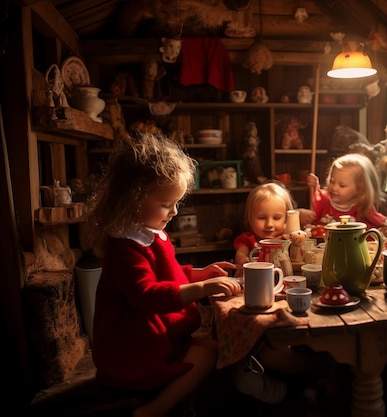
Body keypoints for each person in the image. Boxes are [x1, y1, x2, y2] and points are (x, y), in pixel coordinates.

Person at [86, 131, 241, 417]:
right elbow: (147, 294)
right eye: (165, 204)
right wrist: (203, 288)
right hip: (131, 351)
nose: (173, 213)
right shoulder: (125, 245)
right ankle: (154, 410)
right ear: (134, 199)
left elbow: (165, 274)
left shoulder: (149, 233)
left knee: (216, 349)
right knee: (209, 356)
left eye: (176, 204)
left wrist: (196, 274)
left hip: (150, 338)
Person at [231, 181, 333, 405]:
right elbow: (241, 256)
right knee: (266, 333)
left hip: (291, 294)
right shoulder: (248, 240)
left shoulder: (291, 240)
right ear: (250, 217)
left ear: (287, 218)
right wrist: (243, 262)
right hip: (263, 297)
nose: (269, 224)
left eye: (277, 218)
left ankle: (309, 378)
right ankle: (280, 381)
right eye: (261, 218)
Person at [301, 153, 387, 235]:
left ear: (359, 189)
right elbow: (310, 215)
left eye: (342, 185)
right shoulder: (323, 199)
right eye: (332, 181)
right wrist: (300, 214)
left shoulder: (363, 208)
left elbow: (384, 224)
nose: (334, 187)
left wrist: (385, 231)